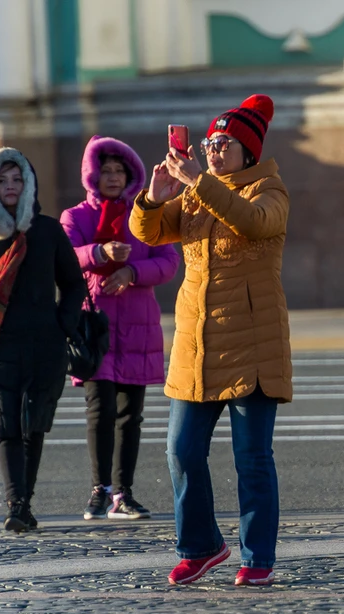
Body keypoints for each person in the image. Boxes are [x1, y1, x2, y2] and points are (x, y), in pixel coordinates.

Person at [129, 94, 291, 587]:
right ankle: (201, 546)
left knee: (252, 460)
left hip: (253, 348)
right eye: (209, 142)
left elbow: (253, 221)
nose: (214, 151)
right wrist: (154, 196)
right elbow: (150, 233)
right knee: (179, 451)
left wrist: (198, 179)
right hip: (196, 346)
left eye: (224, 144)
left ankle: (257, 555)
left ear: (248, 152)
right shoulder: (196, 192)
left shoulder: (270, 190)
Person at [0, 147, 86, 532]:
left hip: (45, 346)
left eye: (17, 179)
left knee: (34, 425)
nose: (10, 186)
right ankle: (17, 503)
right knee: (6, 425)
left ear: (29, 185)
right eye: (2, 180)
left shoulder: (47, 231)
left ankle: (24, 500)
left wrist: (64, 323)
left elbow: (73, 284)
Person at [61, 136, 180, 521]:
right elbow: (65, 259)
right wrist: (99, 253)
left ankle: (123, 494)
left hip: (138, 323)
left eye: (119, 171)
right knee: (100, 408)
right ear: (92, 174)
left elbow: (167, 261)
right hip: (95, 325)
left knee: (131, 414)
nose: (113, 177)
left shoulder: (145, 213)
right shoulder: (76, 216)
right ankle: (100, 490)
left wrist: (132, 270)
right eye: (106, 170)